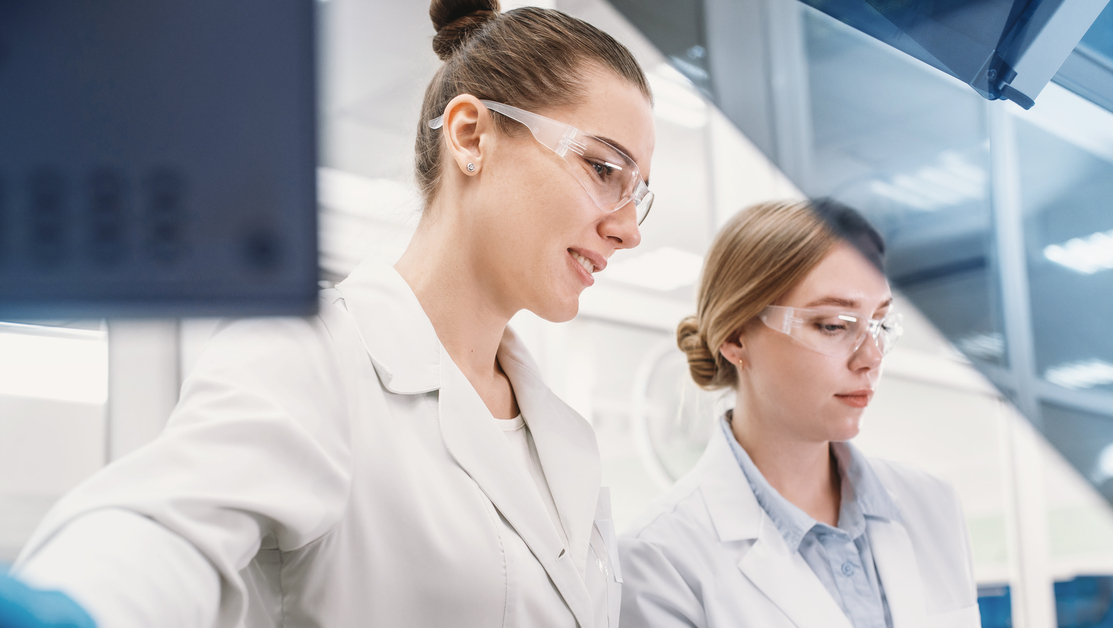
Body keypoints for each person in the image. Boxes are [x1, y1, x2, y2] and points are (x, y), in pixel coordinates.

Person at [8, 1, 655, 627]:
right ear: (470, 136)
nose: (628, 230)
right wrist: (75, 607)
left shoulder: (567, 438)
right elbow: (165, 527)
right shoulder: (310, 357)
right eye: (603, 169)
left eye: (638, 196)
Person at [619, 199, 981, 628]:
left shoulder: (932, 505)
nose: (871, 358)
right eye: (833, 325)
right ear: (736, 337)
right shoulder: (660, 560)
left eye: (880, 324)